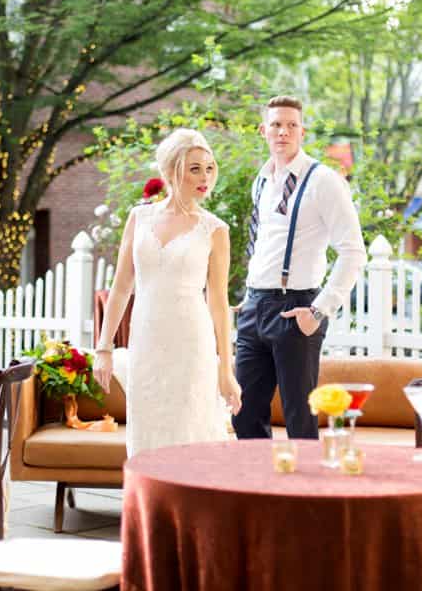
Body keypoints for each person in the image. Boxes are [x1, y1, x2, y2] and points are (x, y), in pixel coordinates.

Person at [93, 128, 242, 456]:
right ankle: (150, 506)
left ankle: (194, 506)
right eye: (195, 169)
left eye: (209, 168)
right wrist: (103, 347)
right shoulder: (140, 218)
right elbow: (121, 288)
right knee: (147, 431)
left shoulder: (214, 229)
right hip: (145, 341)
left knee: (191, 429)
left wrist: (225, 369)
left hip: (192, 343)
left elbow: (218, 302)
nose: (205, 177)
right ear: (171, 172)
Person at [233, 96, 367, 440]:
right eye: (276, 124)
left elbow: (353, 252)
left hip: (297, 309)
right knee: (243, 415)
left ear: (302, 132)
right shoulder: (262, 181)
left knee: (299, 422)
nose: (283, 132)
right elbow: (266, 243)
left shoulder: (324, 181)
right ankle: (258, 491)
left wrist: (319, 310)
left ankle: (304, 493)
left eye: (291, 125)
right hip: (254, 307)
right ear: (264, 131)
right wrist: (248, 295)